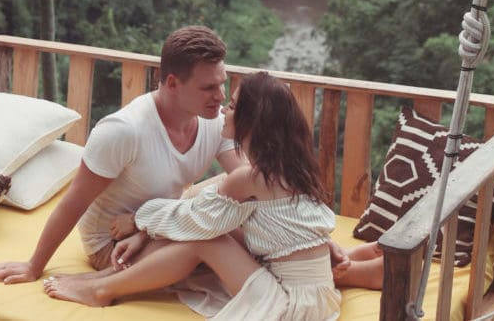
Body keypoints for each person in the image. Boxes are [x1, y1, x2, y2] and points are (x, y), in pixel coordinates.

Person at [42, 72, 343, 320]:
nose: (225, 108)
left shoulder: (251, 178)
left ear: (254, 120)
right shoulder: (289, 170)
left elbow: (195, 219)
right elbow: (211, 209)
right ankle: (100, 281)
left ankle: (101, 290)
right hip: (318, 298)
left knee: (204, 240)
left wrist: (138, 219)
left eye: (235, 106)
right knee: (211, 225)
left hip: (290, 306)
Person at [0, 25, 244, 286]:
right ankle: (97, 286)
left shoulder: (214, 122)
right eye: (208, 88)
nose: (221, 96)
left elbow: (244, 179)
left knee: (237, 196)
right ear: (172, 83)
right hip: (113, 244)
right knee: (213, 240)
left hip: (158, 222)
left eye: (222, 83)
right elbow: (74, 202)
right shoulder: (124, 131)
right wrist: (34, 266)